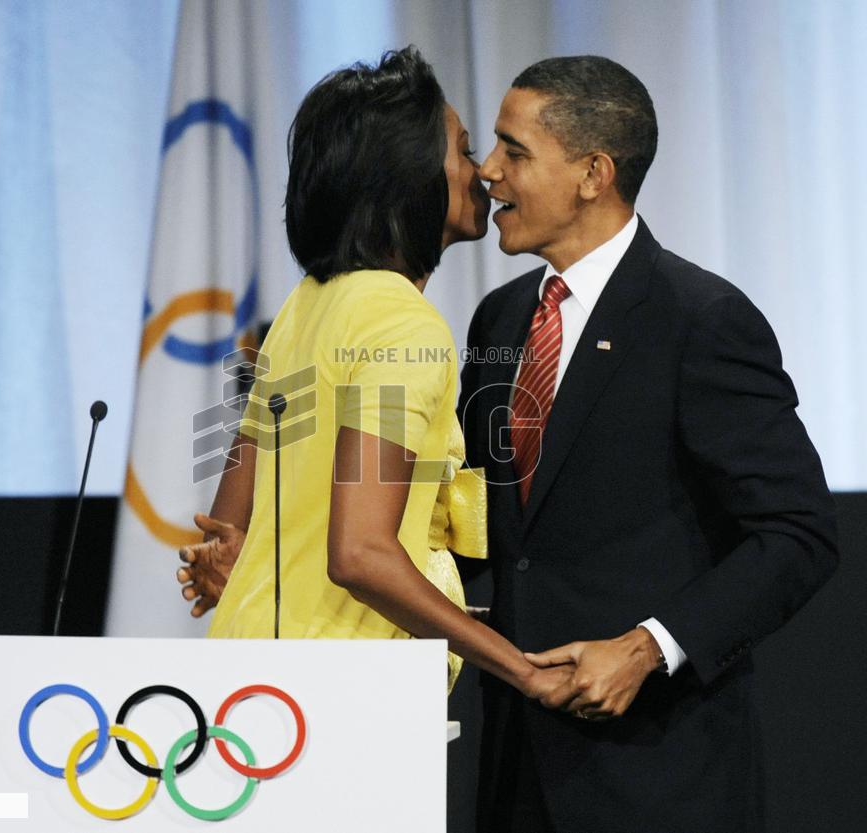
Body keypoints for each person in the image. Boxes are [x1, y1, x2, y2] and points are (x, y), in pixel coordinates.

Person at [459, 55, 839, 832]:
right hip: (514, 767)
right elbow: (484, 525)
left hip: (657, 776)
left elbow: (798, 532)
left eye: (514, 150)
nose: (488, 172)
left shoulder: (700, 319)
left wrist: (646, 647)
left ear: (594, 172)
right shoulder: (498, 321)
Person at [176, 47, 570, 700]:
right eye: (466, 153)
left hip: (245, 674)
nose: (486, 174)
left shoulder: (307, 304)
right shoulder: (400, 322)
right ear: (410, 177)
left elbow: (227, 526)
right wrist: (521, 667)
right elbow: (360, 554)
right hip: (339, 692)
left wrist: (227, 565)